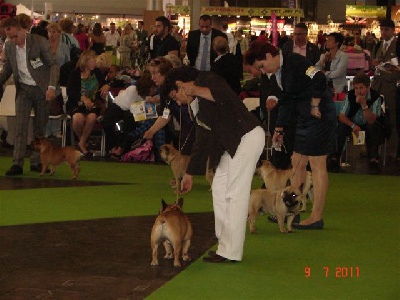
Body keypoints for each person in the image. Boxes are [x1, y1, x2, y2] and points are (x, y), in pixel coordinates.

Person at [162, 67, 265, 263]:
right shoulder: (196, 103)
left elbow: (225, 95)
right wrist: (190, 174)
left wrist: (195, 90)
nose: (178, 101)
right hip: (232, 145)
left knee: (235, 194)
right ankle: (224, 245)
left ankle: (231, 252)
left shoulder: (208, 78)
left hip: (247, 137)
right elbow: (203, 139)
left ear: (182, 85)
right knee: (218, 188)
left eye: (176, 95)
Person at [244, 41, 337, 229]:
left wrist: (315, 104)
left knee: (317, 164)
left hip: (319, 115)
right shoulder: (278, 73)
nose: (262, 71)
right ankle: (292, 211)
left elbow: (319, 77)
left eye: (261, 66)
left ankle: (316, 217)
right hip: (303, 118)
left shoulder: (297, 62)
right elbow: (286, 100)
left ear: (269, 56)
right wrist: (279, 128)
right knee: (297, 161)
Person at [0, 17, 59, 176]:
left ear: (22, 30)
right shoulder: (10, 46)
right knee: (20, 127)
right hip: (24, 90)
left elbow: (54, 65)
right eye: (8, 37)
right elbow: (8, 69)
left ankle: (36, 161)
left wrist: (51, 87)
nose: (12, 40)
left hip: (42, 90)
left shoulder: (39, 42)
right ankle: (17, 164)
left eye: (14, 36)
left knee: (40, 129)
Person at [328, 73, 382, 174]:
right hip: (351, 123)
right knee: (341, 128)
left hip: (368, 123)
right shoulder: (350, 95)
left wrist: (363, 104)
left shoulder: (376, 97)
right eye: (356, 88)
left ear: (368, 87)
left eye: (361, 88)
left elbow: (372, 120)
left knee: (373, 127)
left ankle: (373, 161)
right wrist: (352, 125)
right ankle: (334, 159)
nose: (358, 91)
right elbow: (342, 116)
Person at [143, 58, 195, 158]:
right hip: (185, 126)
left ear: (164, 72)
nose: (152, 77)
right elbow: (165, 114)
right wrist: (151, 131)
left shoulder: (181, 80)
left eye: (155, 73)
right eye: (151, 73)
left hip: (197, 122)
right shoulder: (163, 90)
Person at [103, 70, 157, 157]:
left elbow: (134, 110)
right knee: (107, 122)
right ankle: (113, 147)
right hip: (118, 106)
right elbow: (133, 108)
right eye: (153, 88)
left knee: (130, 123)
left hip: (130, 111)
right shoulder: (133, 90)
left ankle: (122, 148)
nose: (154, 90)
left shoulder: (147, 96)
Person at [66, 50, 108, 156]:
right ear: (85, 61)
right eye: (92, 60)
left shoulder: (97, 72)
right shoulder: (74, 74)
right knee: (78, 118)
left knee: (92, 117)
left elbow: (104, 83)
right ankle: (83, 142)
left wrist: (107, 86)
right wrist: (82, 98)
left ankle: (81, 143)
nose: (95, 63)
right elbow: (70, 91)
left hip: (94, 104)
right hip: (77, 104)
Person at [371, 19, 400, 159]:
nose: (383, 32)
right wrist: (375, 64)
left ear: (393, 30)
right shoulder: (378, 45)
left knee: (392, 118)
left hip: (392, 87)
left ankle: (393, 150)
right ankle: (373, 149)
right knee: (375, 117)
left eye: (386, 30)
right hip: (377, 85)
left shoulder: (398, 44)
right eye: (381, 29)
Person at [46, 22, 71, 138]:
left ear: (59, 33)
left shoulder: (64, 47)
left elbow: (68, 64)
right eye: (49, 31)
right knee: (46, 102)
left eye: (54, 32)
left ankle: (56, 129)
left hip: (60, 78)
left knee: (57, 103)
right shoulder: (44, 46)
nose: (51, 34)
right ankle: (46, 129)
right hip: (47, 78)